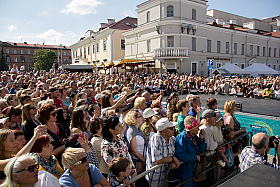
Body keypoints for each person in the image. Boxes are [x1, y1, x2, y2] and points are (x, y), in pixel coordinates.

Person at [146, 118, 180, 187]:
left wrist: (171, 162)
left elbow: (170, 154)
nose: (174, 129)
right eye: (171, 128)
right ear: (163, 131)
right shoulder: (155, 138)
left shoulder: (171, 139)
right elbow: (157, 160)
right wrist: (173, 159)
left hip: (167, 177)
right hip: (156, 177)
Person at [175, 116, 207, 187]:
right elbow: (181, 156)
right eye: (197, 128)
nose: (198, 129)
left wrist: (201, 139)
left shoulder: (194, 137)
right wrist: (195, 157)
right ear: (191, 129)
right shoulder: (182, 138)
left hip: (193, 170)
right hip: (185, 172)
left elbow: (202, 149)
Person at [125, 109, 148, 181]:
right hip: (137, 162)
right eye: (140, 116)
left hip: (142, 161)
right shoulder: (131, 131)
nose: (142, 117)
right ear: (134, 118)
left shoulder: (139, 130)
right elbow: (134, 150)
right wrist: (144, 160)